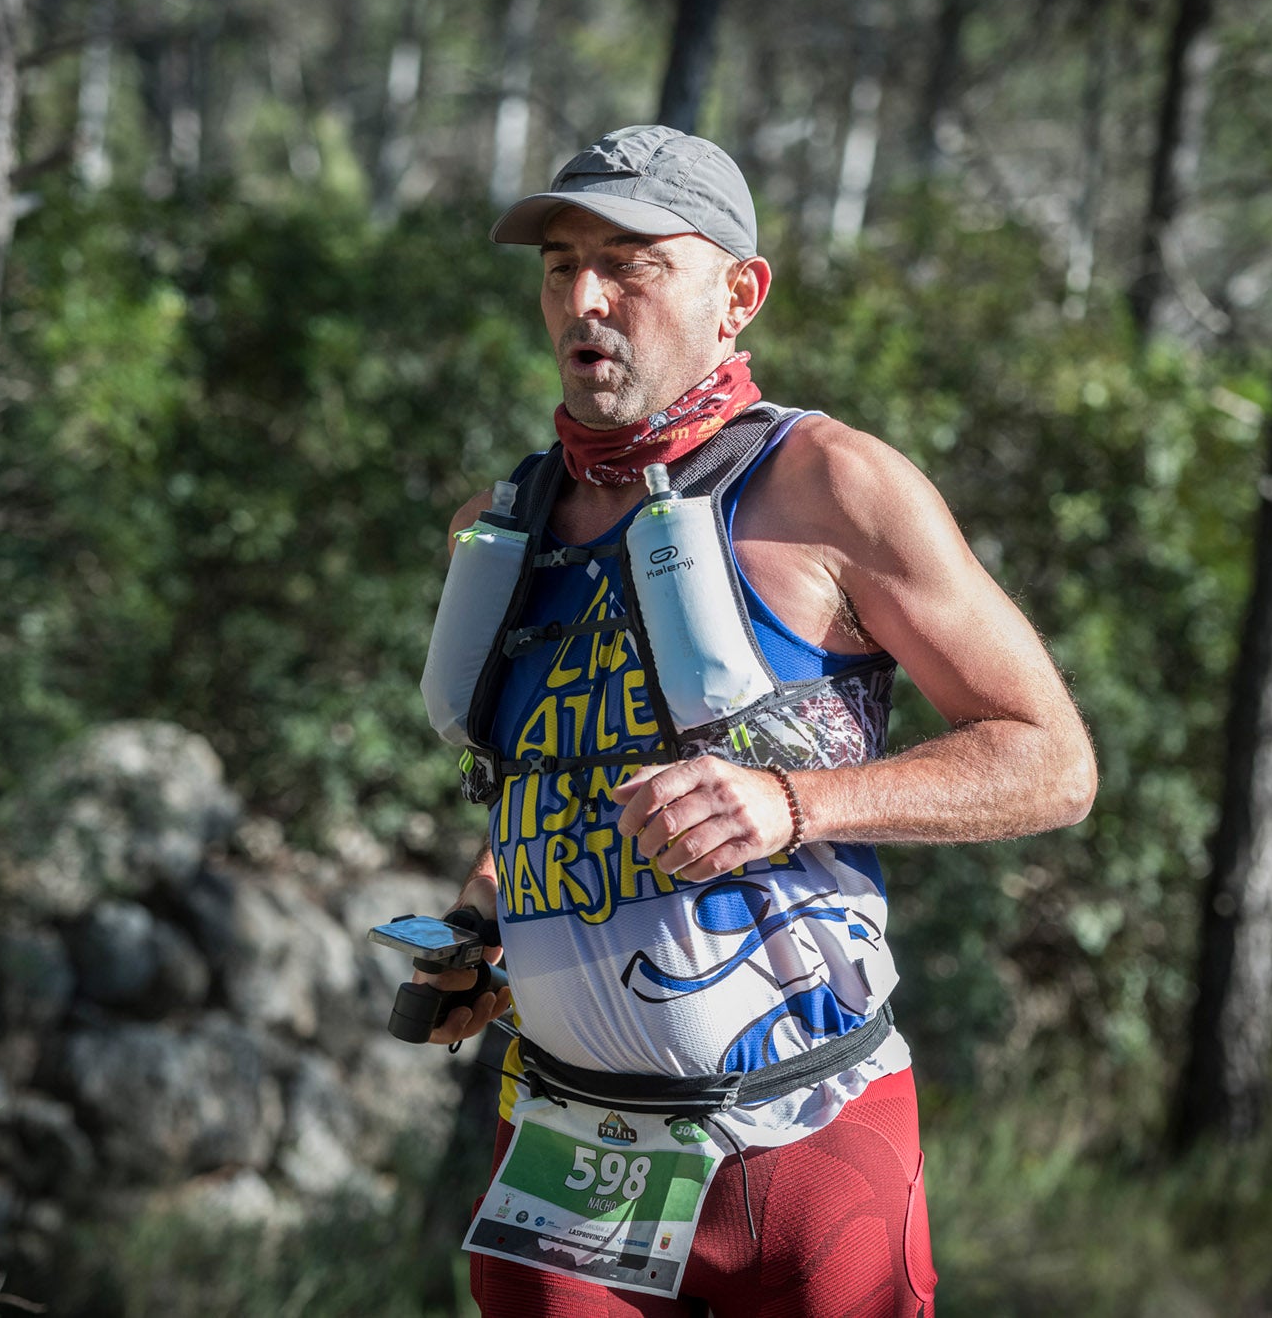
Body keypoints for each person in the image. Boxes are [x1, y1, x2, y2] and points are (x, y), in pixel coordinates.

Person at [414, 124, 1096, 1318]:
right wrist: (486, 915)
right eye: (560, 261)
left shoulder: (830, 486)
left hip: (807, 1139)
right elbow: (546, 780)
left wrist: (794, 802)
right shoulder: (503, 522)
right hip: (570, 1150)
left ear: (738, 295)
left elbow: (1050, 760)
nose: (584, 297)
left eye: (631, 263)